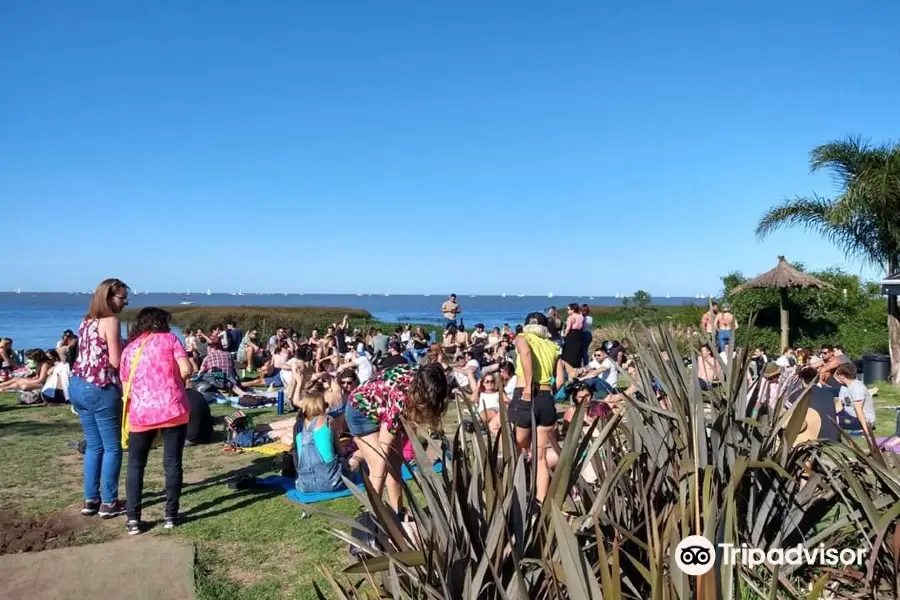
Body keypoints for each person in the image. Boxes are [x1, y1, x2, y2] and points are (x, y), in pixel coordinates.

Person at [119, 307, 194, 534]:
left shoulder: (130, 349)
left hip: (141, 412)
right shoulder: (171, 340)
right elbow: (186, 369)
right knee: (172, 463)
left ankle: (133, 518)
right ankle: (171, 514)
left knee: (135, 465)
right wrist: (174, 380)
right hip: (172, 408)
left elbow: (125, 387)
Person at [345, 363, 450, 512]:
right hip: (361, 413)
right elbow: (383, 453)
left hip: (382, 405)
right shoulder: (399, 400)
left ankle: (398, 513)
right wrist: (375, 504)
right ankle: (373, 513)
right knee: (379, 465)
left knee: (395, 464)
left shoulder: (427, 377)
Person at [70, 278, 129, 519]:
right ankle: (109, 502)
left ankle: (90, 499)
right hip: (100, 386)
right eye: (122, 298)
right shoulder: (110, 321)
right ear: (108, 298)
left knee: (94, 446)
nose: (125, 302)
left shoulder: (86, 321)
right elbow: (115, 361)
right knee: (113, 447)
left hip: (78, 383)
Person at [509, 312, 560, 503]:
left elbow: (526, 352)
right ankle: (540, 501)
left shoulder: (522, 337)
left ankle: (515, 492)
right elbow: (559, 377)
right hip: (547, 397)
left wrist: (529, 386)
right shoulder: (553, 346)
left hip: (526, 392)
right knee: (541, 456)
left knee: (517, 446)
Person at [293, 389, 361, 493]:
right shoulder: (327, 420)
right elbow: (340, 452)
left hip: (304, 485)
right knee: (360, 452)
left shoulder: (297, 426)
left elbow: (297, 454)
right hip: (332, 482)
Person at [833, 363, 875, 438]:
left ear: (842, 376)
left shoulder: (857, 388)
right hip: (849, 415)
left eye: (837, 375)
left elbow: (859, 410)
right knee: (827, 416)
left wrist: (866, 429)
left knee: (833, 420)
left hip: (862, 419)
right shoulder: (844, 387)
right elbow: (839, 406)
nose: (836, 377)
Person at [557, 303, 585, 386]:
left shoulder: (571, 317)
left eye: (568, 309)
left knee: (568, 356)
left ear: (573, 309)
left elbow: (568, 328)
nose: (567, 311)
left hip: (571, 336)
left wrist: (564, 337)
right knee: (577, 356)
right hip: (579, 336)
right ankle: (576, 373)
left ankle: (569, 374)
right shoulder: (581, 317)